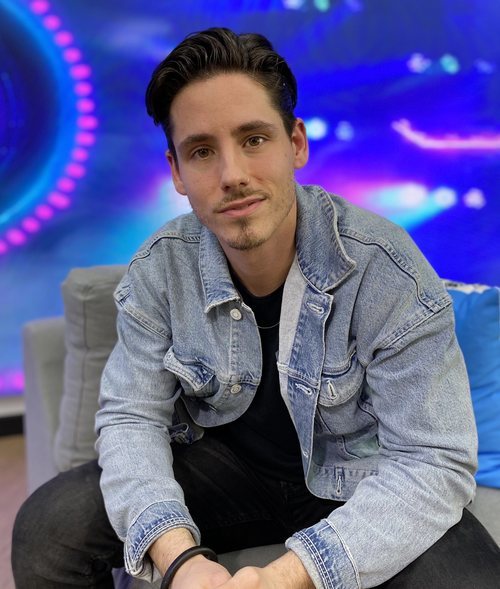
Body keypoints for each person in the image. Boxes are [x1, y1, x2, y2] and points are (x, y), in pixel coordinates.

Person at [12, 27, 500, 589]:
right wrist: (179, 560)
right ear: (177, 172)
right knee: (49, 530)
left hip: (360, 481)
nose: (232, 175)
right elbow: (131, 419)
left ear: (296, 144)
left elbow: (433, 461)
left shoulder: (386, 269)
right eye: (202, 151)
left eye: (254, 139)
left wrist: (292, 574)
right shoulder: (160, 269)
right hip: (226, 475)